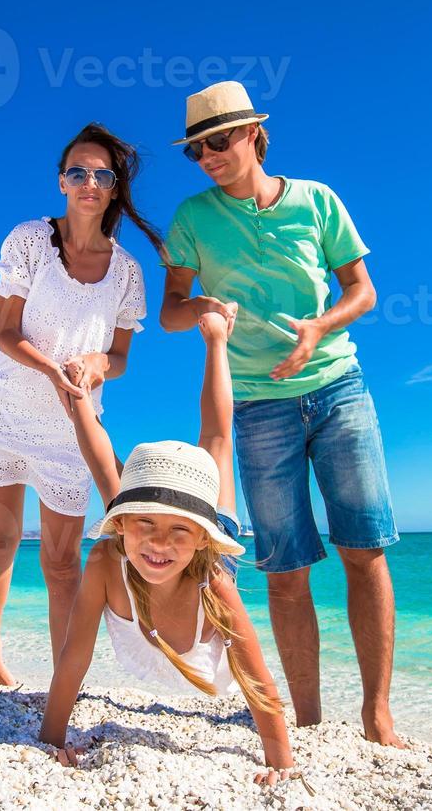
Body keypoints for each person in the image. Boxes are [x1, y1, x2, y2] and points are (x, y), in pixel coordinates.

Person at [160, 80, 403, 747]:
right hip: (258, 406)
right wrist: (206, 311)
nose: (207, 155)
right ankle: (311, 720)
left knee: (365, 550)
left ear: (254, 135)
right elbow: (170, 309)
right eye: (196, 149)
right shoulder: (191, 218)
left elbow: (363, 289)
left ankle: (378, 714)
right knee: (286, 569)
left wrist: (319, 327)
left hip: (340, 389)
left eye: (219, 140)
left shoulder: (318, 201)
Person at [39, 313, 302, 789]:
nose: (160, 543)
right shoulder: (109, 557)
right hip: (138, 539)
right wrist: (51, 739)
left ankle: (217, 340)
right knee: (111, 479)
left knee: (217, 443)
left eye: (178, 530)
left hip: (204, 538)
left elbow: (254, 673)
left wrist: (280, 763)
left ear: (200, 536)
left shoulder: (213, 580)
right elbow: (75, 657)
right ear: (120, 526)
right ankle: (80, 406)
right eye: (144, 525)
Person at [0, 122, 161, 685]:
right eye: (78, 171)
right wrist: (52, 368)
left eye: (102, 175)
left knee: (60, 561)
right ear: (62, 181)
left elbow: (120, 356)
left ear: (113, 188)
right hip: (5, 413)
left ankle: (62, 679)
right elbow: (5, 332)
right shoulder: (30, 240)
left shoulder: (127, 271)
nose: (89, 182)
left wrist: (99, 364)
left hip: (72, 433)